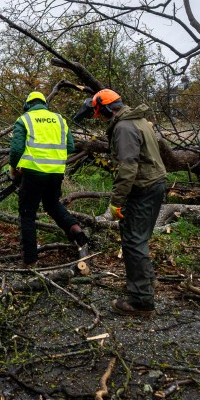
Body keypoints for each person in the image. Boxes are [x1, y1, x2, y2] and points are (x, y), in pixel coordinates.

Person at [74, 89, 167, 316]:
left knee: (134, 241)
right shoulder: (136, 120)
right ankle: (145, 282)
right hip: (150, 184)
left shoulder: (124, 127)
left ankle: (142, 302)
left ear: (107, 108)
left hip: (143, 187)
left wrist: (116, 201)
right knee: (134, 235)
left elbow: (128, 168)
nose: (99, 118)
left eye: (99, 113)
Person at [9, 91, 88, 267]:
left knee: (28, 213)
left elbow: (15, 151)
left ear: (27, 105)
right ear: (45, 104)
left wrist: (15, 169)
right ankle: (74, 229)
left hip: (33, 173)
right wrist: (53, 158)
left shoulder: (25, 119)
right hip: (56, 173)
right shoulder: (59, 120)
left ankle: (30, 261)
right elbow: (70, 146)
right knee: (52, 204)